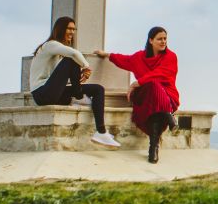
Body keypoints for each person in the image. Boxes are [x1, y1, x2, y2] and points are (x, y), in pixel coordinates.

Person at [29, 16, 119, 149]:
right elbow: (73, 53)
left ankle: (101, 132)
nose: (72, 32)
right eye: (69, 28)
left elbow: (62, 74)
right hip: (42, 94)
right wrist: (86, 66)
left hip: (52, 93)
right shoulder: (50, 45)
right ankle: (79, 96)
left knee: (98, 89)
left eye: (74, 29)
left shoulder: (57, 51)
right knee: (71, 59)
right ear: (60, 29)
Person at [95, 26, 178, 164]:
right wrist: (107, 55)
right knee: (152, 86)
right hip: (143, 96)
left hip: (167, 95)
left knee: (155, 93)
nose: (163, 41)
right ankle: (168, 115)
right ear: (151, 40)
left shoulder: (171, 56)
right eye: (159, 39)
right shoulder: (139, 57)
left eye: (165, 39)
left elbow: (161, 73)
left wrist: (137, 82)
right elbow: (125, 60)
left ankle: (153, 148)